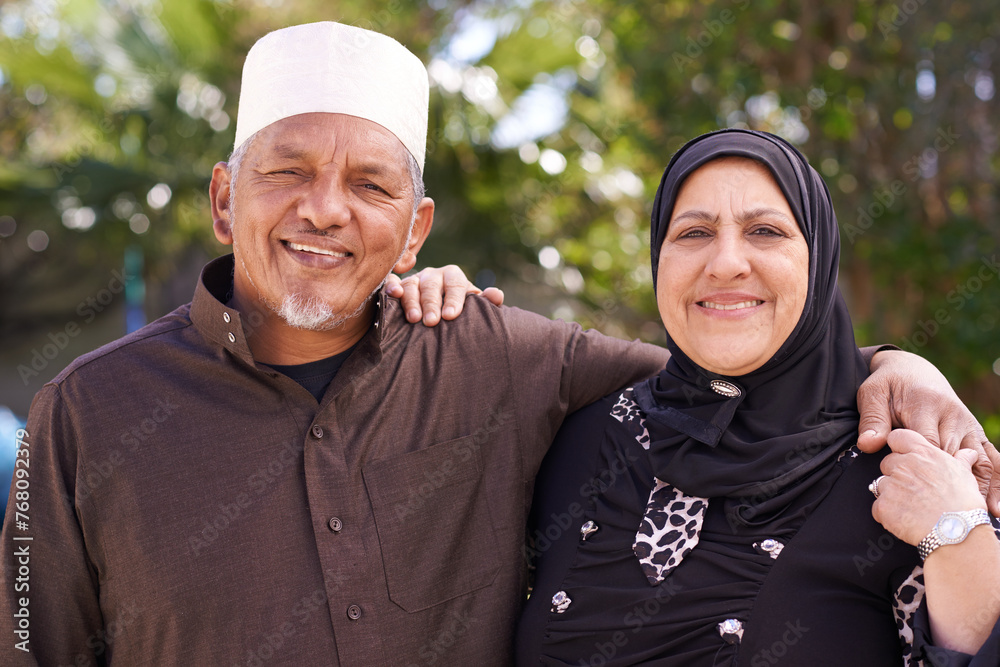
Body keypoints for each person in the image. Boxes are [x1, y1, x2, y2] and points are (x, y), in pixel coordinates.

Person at [0, 22, 992, 666]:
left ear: (418, 227)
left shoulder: (506, 359)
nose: (325, 210)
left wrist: (893, 366)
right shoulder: (85, 415)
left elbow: (734, 365)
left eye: (372, 186)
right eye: (286, 171)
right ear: (224, 198)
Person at [515, 129, 1000, 666]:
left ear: (818, 262)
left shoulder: (915, 471)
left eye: (765, 231)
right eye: (693, 232)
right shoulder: (577, 437)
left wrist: (958, 533)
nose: (725, 263)